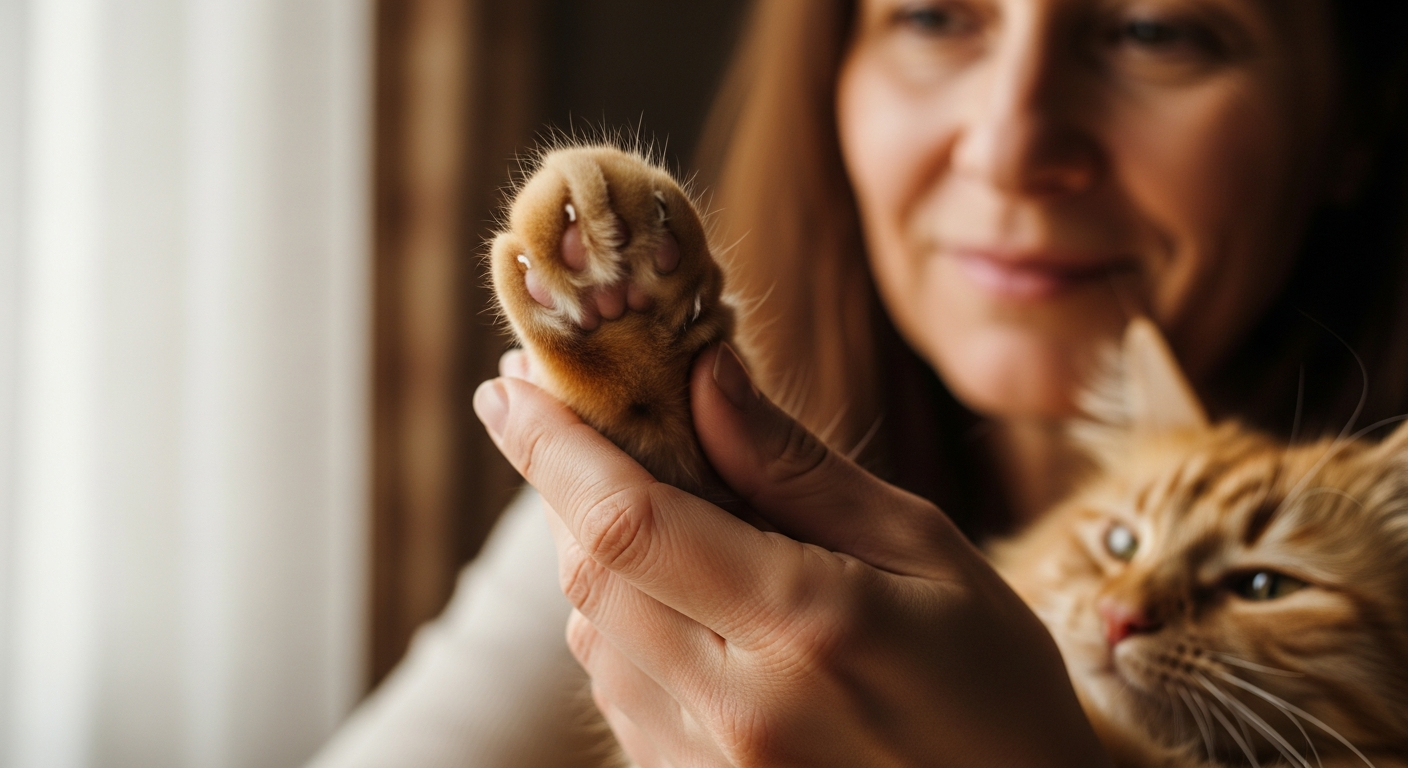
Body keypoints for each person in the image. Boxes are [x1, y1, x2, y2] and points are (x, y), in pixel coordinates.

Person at [309, 0, 1408, 765]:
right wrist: (664, 462)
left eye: (1152, 29)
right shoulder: (667, 479)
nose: (1009, 143)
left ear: (1353, 112)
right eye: (933, 14)